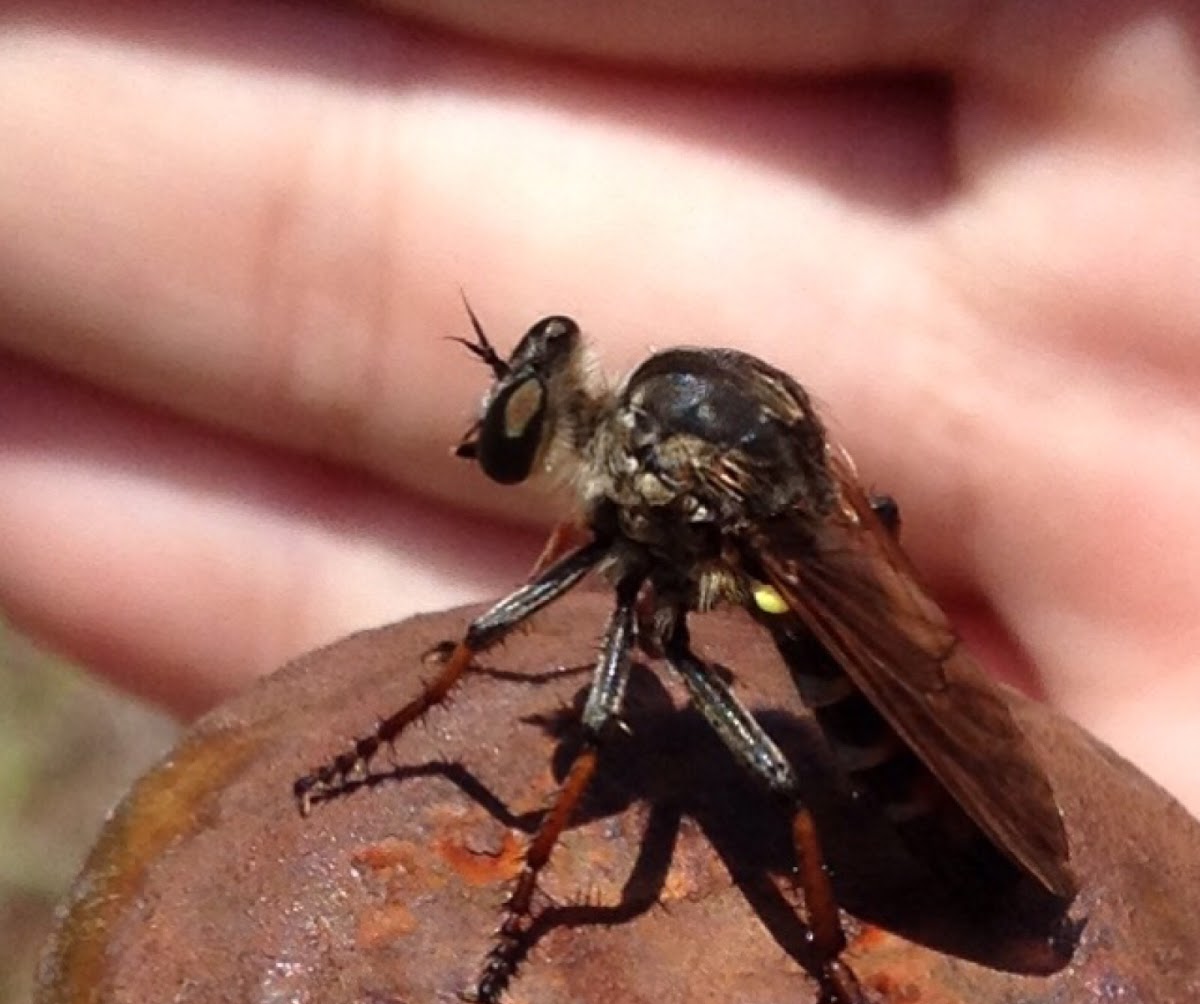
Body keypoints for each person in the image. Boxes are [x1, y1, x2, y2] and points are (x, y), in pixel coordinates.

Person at [2, 2, 1198, 819]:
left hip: (819, 605)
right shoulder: (683, 411)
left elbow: (529, 640)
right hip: (814, 566)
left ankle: (788, 957)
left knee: (737, 758)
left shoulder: (669, 475)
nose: (493, 428)